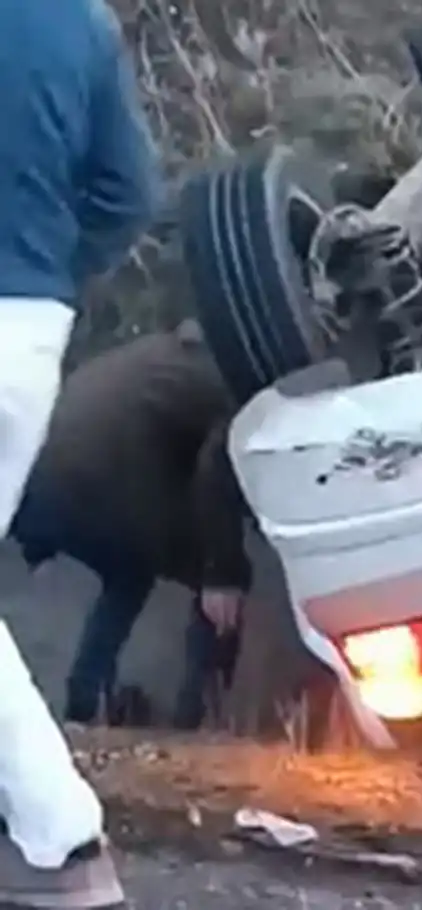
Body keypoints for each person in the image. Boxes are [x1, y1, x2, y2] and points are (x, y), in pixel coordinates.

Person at [0, 0, 159, 906]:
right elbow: (129, 194)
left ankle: (63, 841)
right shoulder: (78, 20)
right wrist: (50, 274)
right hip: (29, 330)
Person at [13, 321, 252, 732]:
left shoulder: (159, 356)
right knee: (217, 585)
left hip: (42, 481)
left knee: (128, 575)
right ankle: (200, 719)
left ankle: (84, 709)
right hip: (107, 478)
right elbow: (217, 471)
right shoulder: (231, 377)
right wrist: (223, 572)